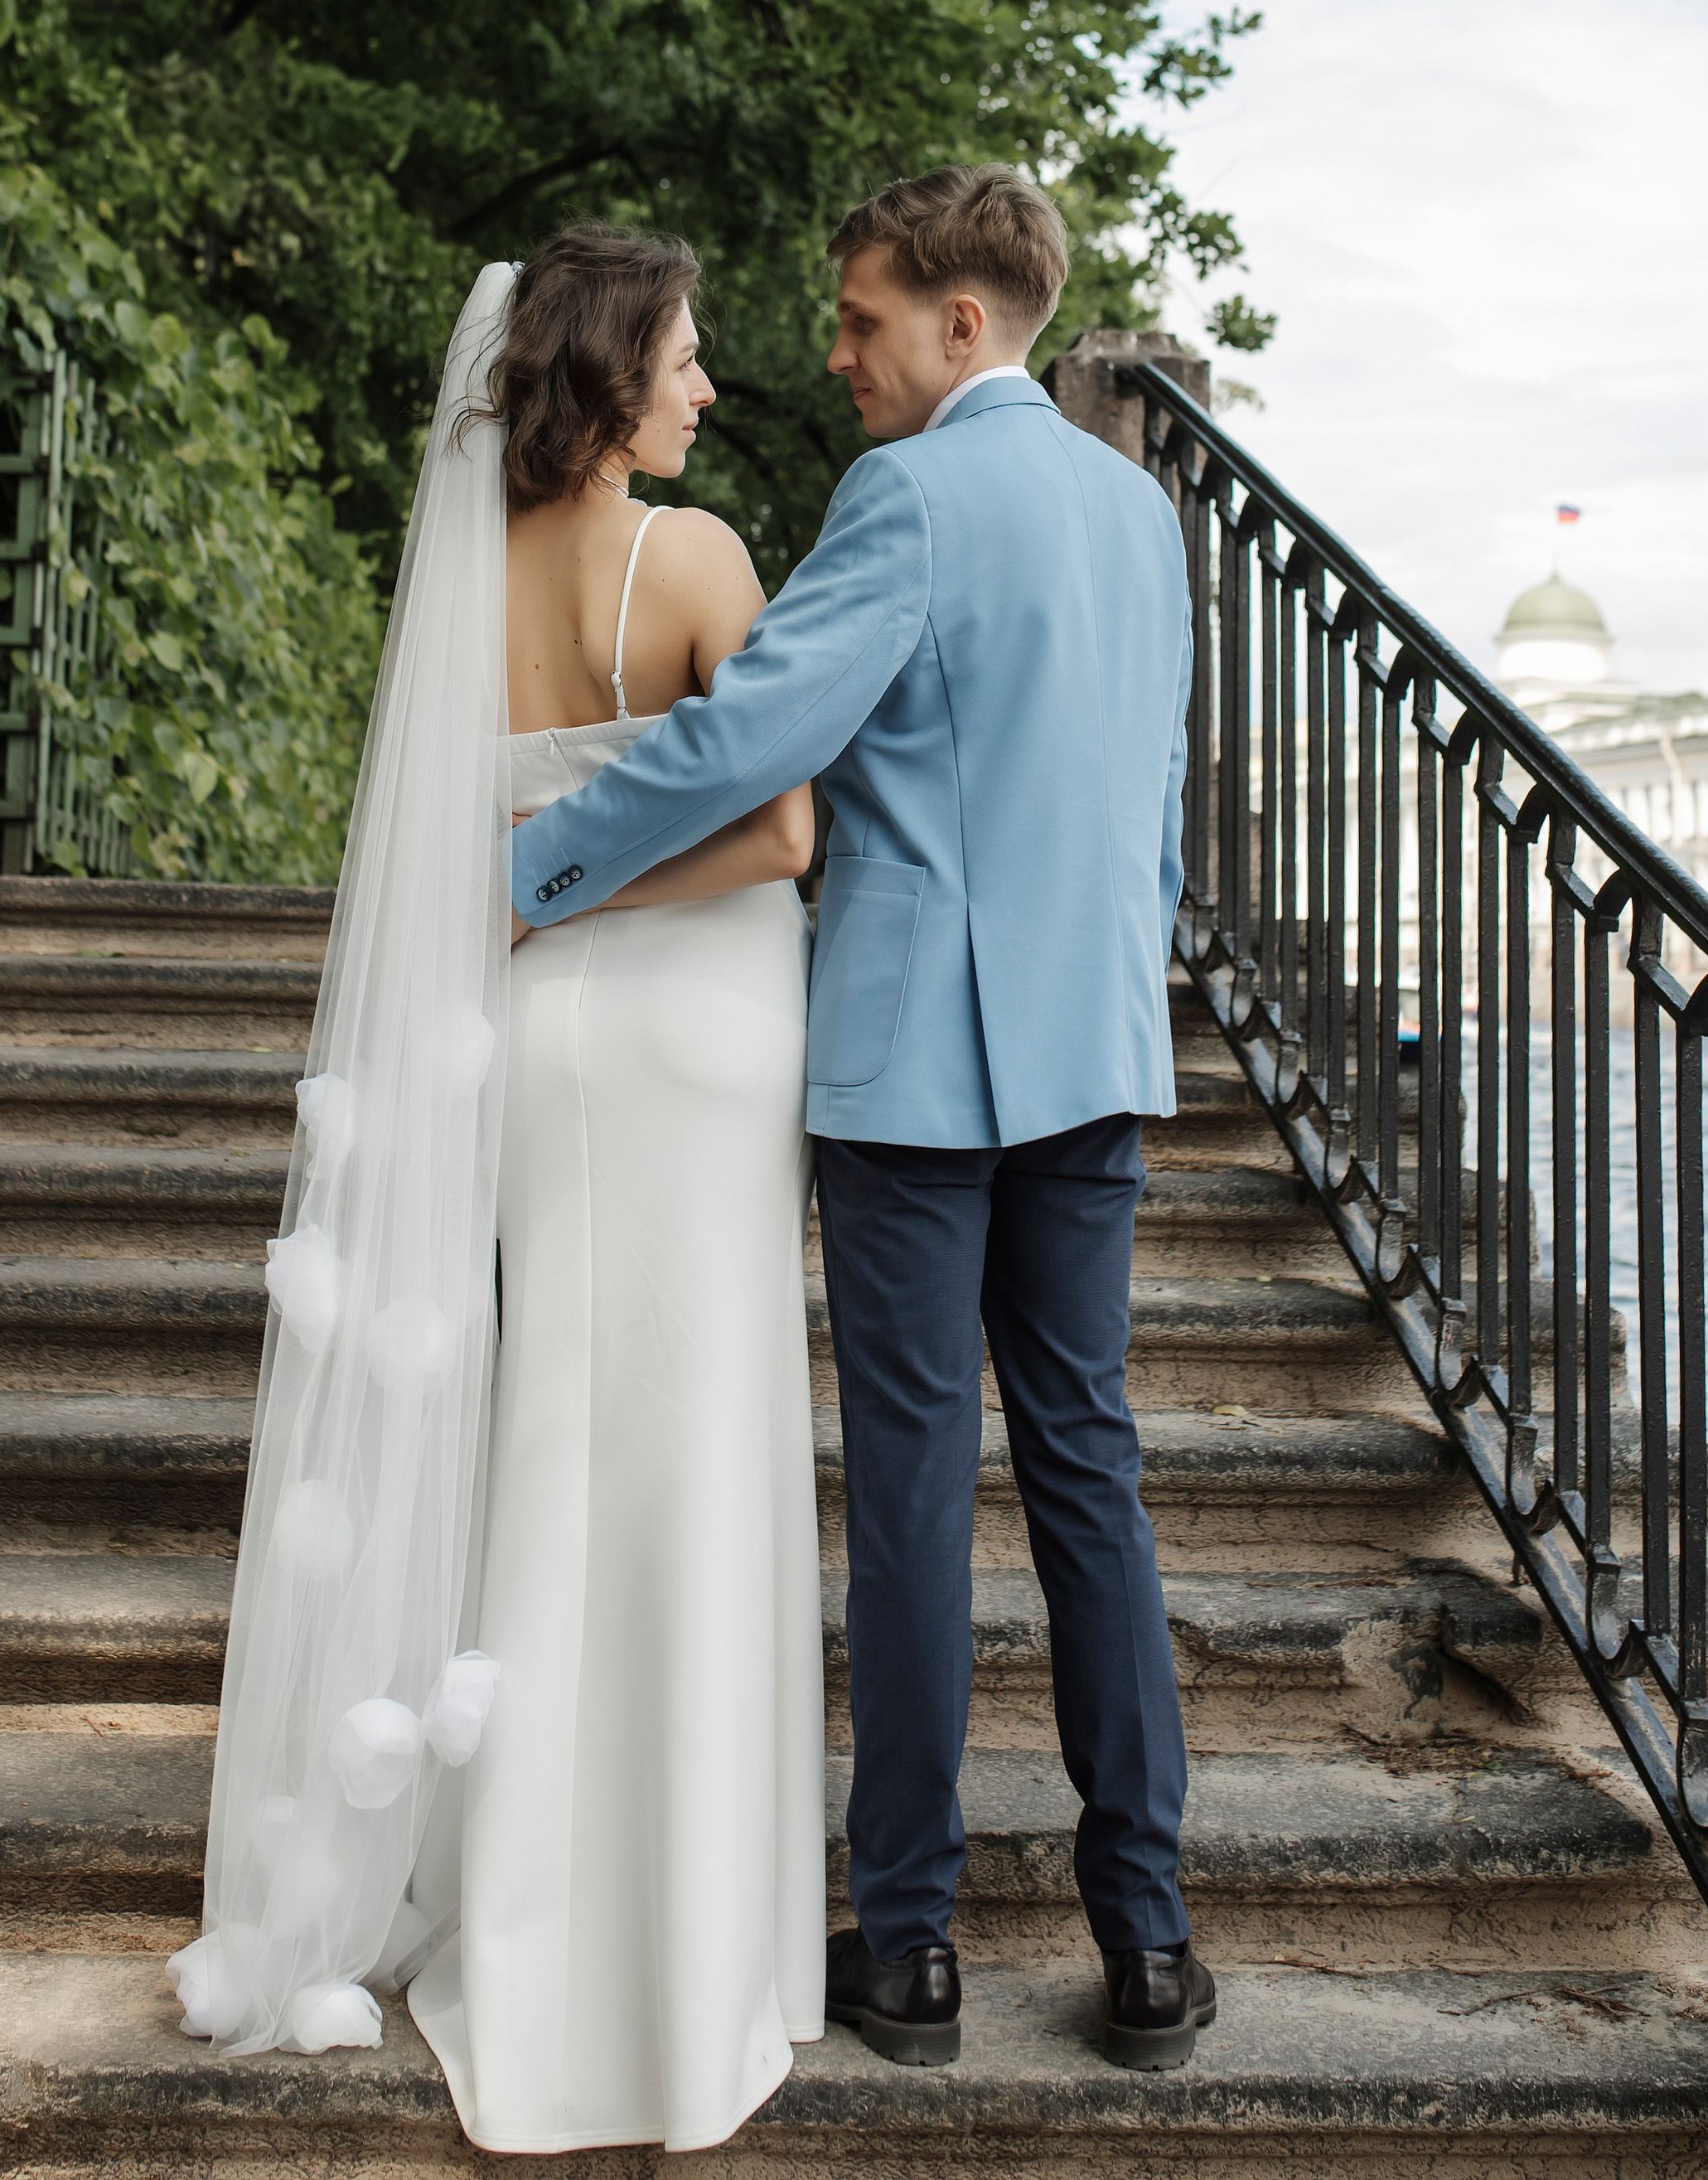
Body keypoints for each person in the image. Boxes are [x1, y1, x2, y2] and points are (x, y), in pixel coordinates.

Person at [510, 164, 1213, 2076]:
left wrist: (534, 868)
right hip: (1090, 1060)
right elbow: (1155, 810)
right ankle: (1144, 1945)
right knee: (1089, 1473)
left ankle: (905, 1957)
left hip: (913, 1081)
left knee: (910, 1499)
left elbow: (754, 736)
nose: (832, 356)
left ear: (962, 324)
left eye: (859, 319)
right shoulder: (1140, 514)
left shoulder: (904, 494)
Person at [171, 230, 825, 2153]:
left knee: (555, 1452)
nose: (707, 390)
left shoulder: (465, 577)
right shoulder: (688, 562)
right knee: (697, 1466)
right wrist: (584, 879)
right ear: (613, 377)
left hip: (541, 1050)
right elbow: (781, 826)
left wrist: (528, 886)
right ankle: (702, 1943)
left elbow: (460, 845)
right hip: (702, 1051)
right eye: (686, 359)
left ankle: (529, 1907)